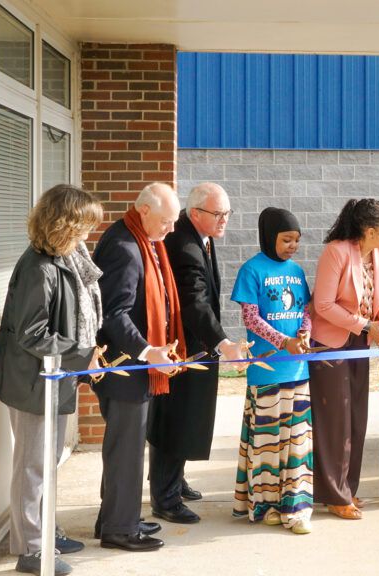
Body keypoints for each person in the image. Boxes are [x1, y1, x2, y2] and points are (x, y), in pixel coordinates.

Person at [0, 184, 103, 576]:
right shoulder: (40, 267)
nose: (90, 232)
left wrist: (82, 354)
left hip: (52, 377)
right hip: (31, 381)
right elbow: (32, 333)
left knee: (47, 463)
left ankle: (46, 532)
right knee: (33, 467)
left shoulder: (64, 259)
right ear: (65, 223)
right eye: (85, 224)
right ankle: (32, 550)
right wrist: (83, 353)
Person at [146, 183, 248, 525]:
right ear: (195, 213)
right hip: (183, 350)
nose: (224, 221)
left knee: (186, 420)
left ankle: (175, 481)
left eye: (227, 214)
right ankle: (165, 497)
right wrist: (222, 342)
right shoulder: (185, 244)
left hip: (193, 348)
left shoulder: (201, 236)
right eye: (217, 214)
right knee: (175, 421)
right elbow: (195, 302)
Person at [310, 198, 379, 520]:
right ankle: (332, 494)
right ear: (370, 231)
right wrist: (365, 325)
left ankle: (347, 488)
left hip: (360, 342)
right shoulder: (337, 252)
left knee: (356, 416)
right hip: (331, 344)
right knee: (335, 421)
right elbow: (323, 305)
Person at [91, 182, 183, 552]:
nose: (171, 230)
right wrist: (148, 351)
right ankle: (119, 529)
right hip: (126, 369)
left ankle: (116, 517)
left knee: (125, 450)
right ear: (144, 210)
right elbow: (114, 314)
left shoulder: (137, 238)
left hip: (132, 369)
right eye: (166, 221)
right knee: (126, 452)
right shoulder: (125, 248)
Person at [231, 207, 314, 533]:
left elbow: (305, 311)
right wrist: (283, 342)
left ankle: (297, 506)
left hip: (297, 371)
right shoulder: (251, 270)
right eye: (286, 239)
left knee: (296, 442)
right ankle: (267, 504)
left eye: (296, 240)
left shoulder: (297, 270)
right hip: (266, 371)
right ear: (269, 237)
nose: (293, 245)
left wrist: (304, 333)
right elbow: (251, 318)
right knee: (267, 443)